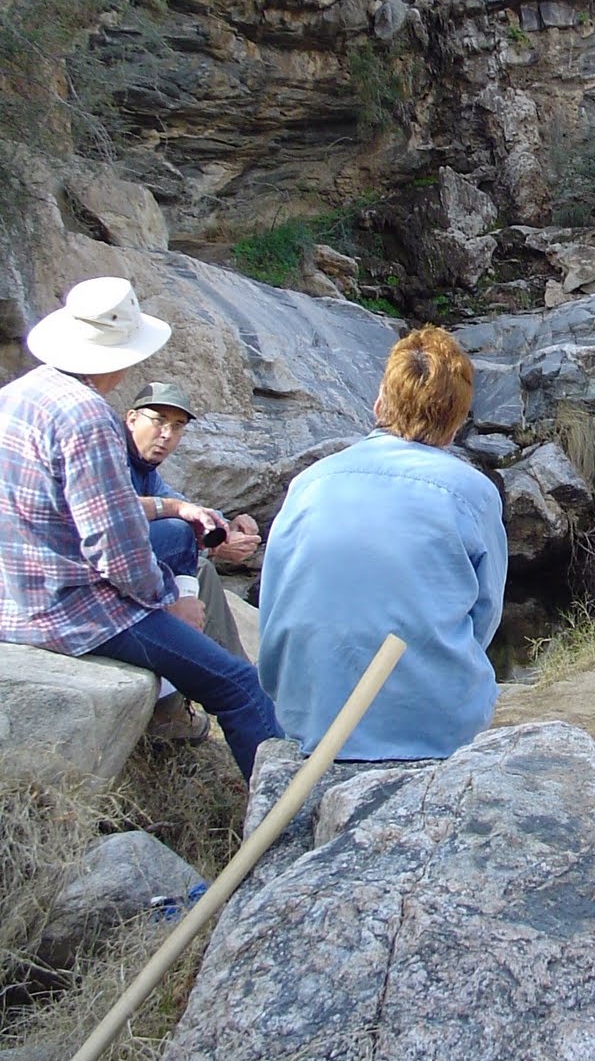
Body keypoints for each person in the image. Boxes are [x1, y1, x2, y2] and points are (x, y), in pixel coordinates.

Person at [0, 276, 281, 781]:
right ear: (123, 357)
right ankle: (288, 824)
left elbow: (76, 505)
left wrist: (176, 510)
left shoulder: (18, 395)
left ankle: (170, 702)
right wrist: (166, 602)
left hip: (19, 595)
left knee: (176, 534)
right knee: (241, 687)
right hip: (74, 611)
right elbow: (113, 544)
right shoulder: (87, 415)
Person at [258, 324, 507, 761]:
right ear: (456, 424)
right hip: (433, 727)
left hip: (312, 718)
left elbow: (276, 604)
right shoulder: (473, 493)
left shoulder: (309, 482)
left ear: (379, 403)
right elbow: (484, 617)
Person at [124, 379, 259, 662]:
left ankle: (232, 673)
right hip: (90, 571)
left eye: (177, 426)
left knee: (202, 569)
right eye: (159, 421)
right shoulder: (112, 454)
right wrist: (210, 541)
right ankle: (231, 678)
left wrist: (223, 527)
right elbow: (111, 508)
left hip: (127, 566)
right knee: (180, 535)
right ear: (132, 419)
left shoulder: (146, 469)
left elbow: (186, 505)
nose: (166, 434)